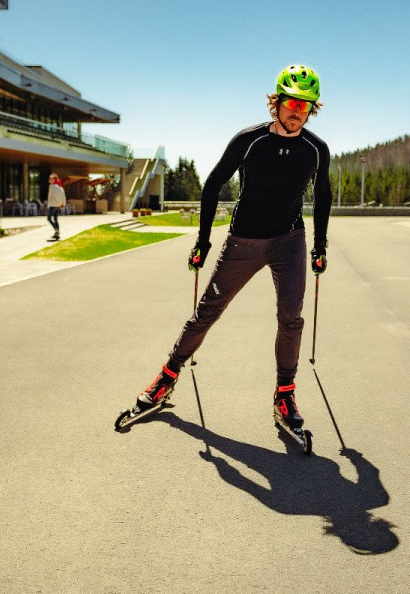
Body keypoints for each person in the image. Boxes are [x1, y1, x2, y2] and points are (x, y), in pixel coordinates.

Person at [125, 65, 333, 435]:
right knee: (207, 312)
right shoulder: (249, 140)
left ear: (311, 109)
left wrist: (319, 245)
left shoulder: (316, 149)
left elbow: (322, 196)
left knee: (291, 318)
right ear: (277, 102)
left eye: (305, 106)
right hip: (244, 241)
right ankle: (166, 377)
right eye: (291, 103)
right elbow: (212, 185)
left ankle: (285, 392)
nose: (296, 111)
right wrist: (203, 241)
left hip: (289, 241)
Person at [46, 172, 66, 241]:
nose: (49, 180)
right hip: (57, 205)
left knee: (48, 218)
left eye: (51, 179)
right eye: (49, 178)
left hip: (53, 205)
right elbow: (63, 196)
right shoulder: (59, 187)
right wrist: (62, 204)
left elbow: (57, 196)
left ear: (54, 180)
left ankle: (56, 230)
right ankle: (57, 235)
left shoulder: (53, 187)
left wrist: (60, 204)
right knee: (55, 219)